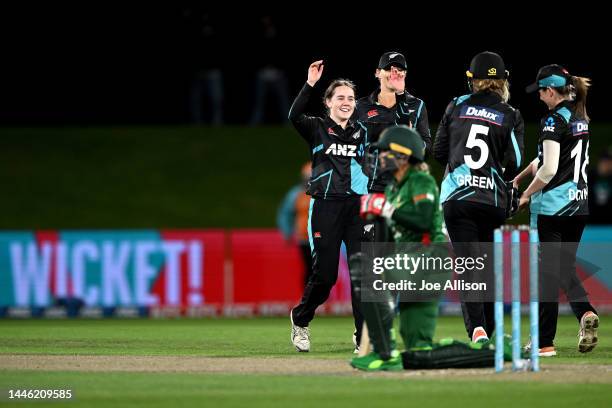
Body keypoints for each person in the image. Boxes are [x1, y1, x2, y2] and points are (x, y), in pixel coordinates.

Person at [350, 126, 502, 371]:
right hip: (409, 261)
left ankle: (384, 351)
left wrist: (385, 209)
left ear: (402, 155)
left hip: (428, 260)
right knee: (418, 349)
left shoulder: (420, 181)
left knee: (365, 270)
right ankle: (489, 354)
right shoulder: (392, 188)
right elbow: (389, 239)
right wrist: (376, 218)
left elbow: (421, 220)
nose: (379, 158)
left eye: (385, 152)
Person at [433, 51, 524, 343]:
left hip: (458, 198)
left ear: (473, 80)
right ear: (503, 81)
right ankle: (489, 331)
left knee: (468, 265)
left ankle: (478, 330)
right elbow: (516, 160)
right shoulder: (510, 113)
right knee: (486, 267)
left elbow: (437, 153)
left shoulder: (456, 105)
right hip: (491, 199)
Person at [514, 64, 599, 356]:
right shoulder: (579, 118)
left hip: (553, 209)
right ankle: (585, 313)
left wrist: (525, 194)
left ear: (551, 91)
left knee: (548, 276)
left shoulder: (552, 120)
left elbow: (549, 170)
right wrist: (520, 176)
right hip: (579, 206)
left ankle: (543, 343)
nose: (538, 96)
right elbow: (546, 161)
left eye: (541, 91)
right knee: (563, 269)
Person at [351, 52, 433, 346]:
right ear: (377, 73)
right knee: (373, 264)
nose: (394, 73)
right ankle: (365, 330)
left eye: (400, 70)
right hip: (374, 192)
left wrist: (404, 123)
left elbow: (424, 148)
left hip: (405, 195)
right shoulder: (361, 108)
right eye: (389, 69)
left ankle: (392, 326)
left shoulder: (416, 106)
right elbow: (354, 148)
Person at [288, 61, 370, 352]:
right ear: (328, 103)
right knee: (325, 276)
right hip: (325, 207)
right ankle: (301, 319)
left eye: (350, 98)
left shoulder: (363, 132)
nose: (346, 102)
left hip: (357, 209)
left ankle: (363, 336)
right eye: (340, 97)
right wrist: (310, 83)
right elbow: (294, 114)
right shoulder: (317, 127)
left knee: (363, 275)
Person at [277, 162, 313, 287]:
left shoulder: (325, 193)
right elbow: (285, 213)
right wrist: (287, 232)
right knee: (310, 267)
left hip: (323, 237)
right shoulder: (295, 194)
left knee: (323, 269)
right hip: (304, 238)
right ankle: (308, 298)